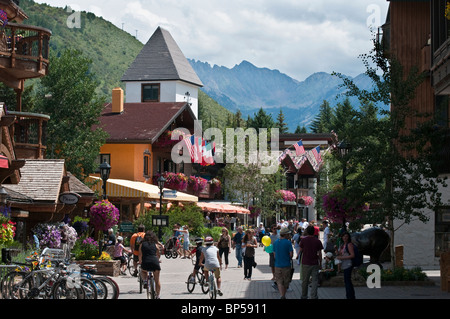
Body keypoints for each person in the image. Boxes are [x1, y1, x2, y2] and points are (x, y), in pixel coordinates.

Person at [299, 225, 323, 299]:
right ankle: (313, 296)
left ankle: (304, 295)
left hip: (305, 262)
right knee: (315, 281)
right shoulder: (317, 241)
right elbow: (320, 253)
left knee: (305, 281)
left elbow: (300, 250)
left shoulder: (303, 240)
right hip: (314, 262)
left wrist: (298, 257)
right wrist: (320, 262)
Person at [138, 230, 161, 298]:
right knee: (157, 281)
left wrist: (140, 261)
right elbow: (158, 255)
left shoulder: (142, 244)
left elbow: (140, 255)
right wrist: (158, 260)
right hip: (155, 262)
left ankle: (145, 281)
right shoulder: (155, 244)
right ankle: (158, 296)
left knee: (143, 270)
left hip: (146, 262)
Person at [272, 227, 293, 299]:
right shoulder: (288, 242)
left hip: (277, 265)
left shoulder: (275, 242)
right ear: (286, 234)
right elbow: (291, 255)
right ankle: (283, 295)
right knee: (286, 282)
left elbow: (274, 255)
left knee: (279, 281)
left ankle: (282, 295)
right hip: (286, 265)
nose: (289, 235)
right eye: (288, 234)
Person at [336, 231, 356, 299]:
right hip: (344, 265)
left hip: (348, 264)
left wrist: (342, 258)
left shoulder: (349, 245)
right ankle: (350, 296)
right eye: (344, 236)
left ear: (348, 237)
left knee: (347, 281)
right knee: (347, 281)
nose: (345, 238)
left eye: (346, 236)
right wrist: (336, 249)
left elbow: (352, 255)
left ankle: (350, 296)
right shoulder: (342, 245)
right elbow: (340, 254)